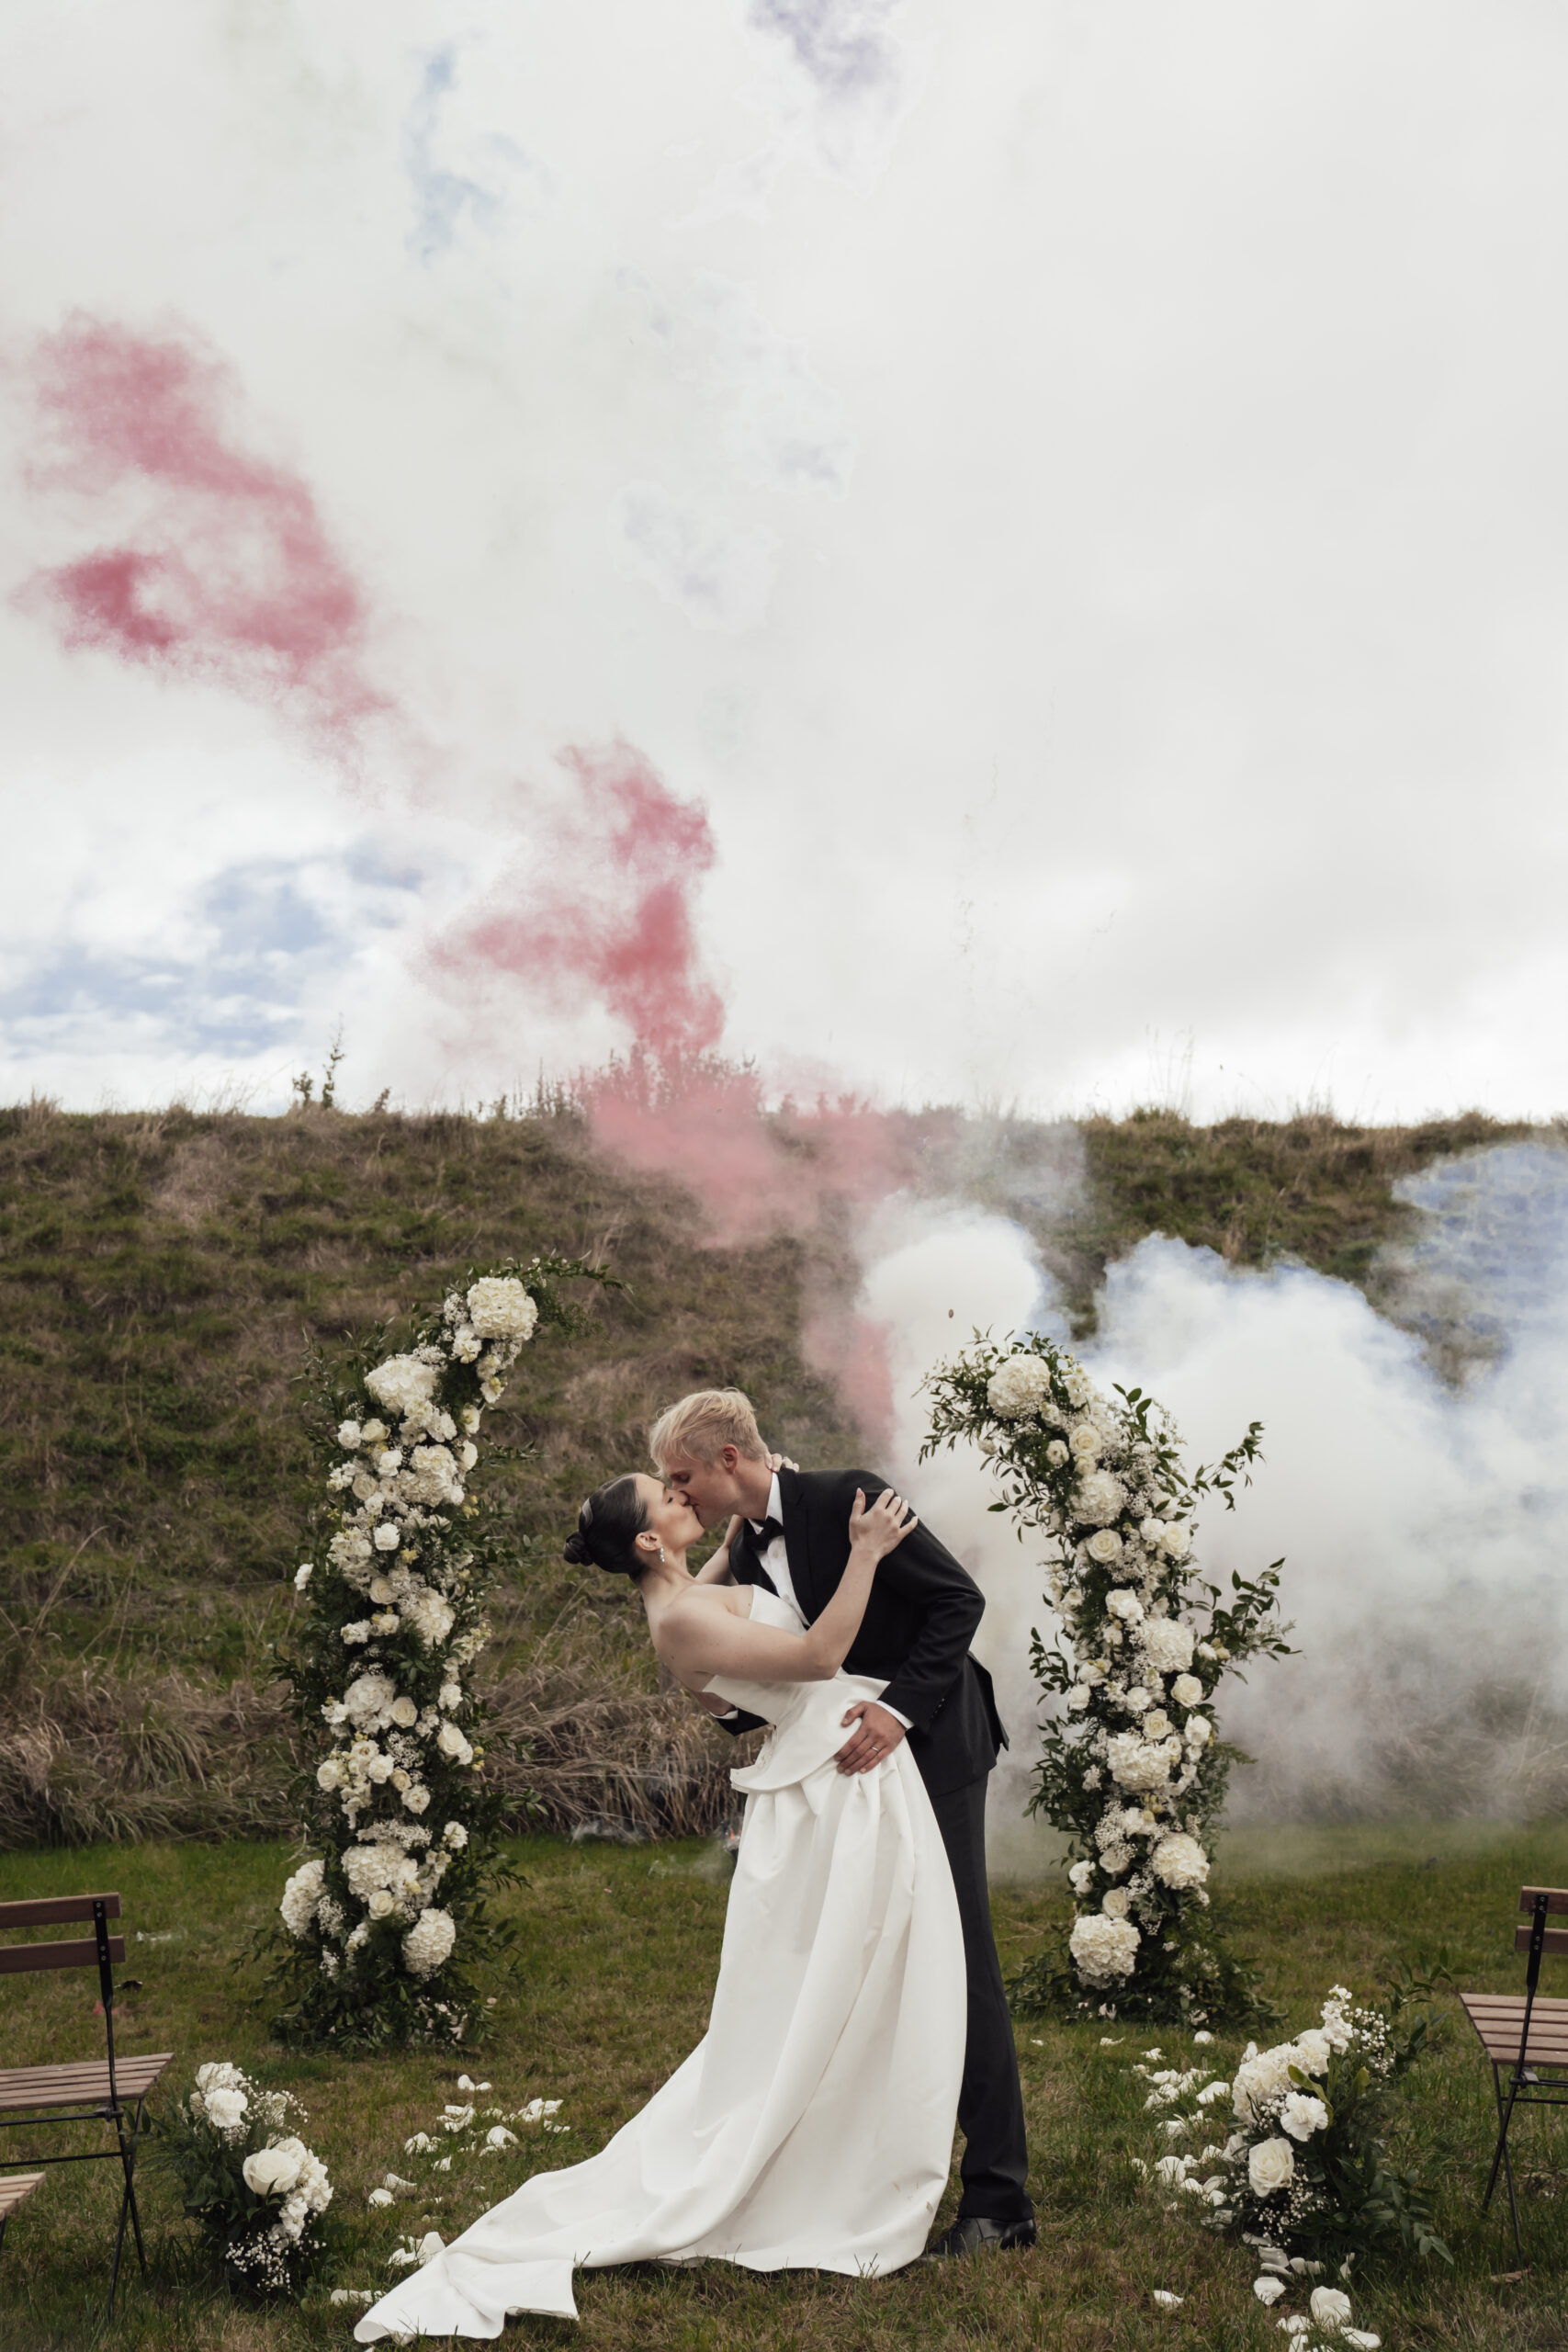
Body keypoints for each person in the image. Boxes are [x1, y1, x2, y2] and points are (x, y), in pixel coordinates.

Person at [355, 1467, 965, 2340]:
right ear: (647, 1540)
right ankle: (828, 2160)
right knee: (850, 1975)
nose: (687, 1500)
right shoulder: (676, 1620)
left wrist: (719, 1553)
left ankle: (844, 2132)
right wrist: (865, 1553)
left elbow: (709, 1601)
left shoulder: (683, 1594)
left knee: (860, 1974)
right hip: (836, 1776)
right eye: (669, 1500)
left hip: (840, 1768)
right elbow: (821, 1657)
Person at [649, 1387, 1034, 2260]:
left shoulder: (847, 1498)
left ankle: (1000, 2201)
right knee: (869, 1968)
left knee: (962, 1958)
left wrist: (898, 1712)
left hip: (929, 1745)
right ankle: (854, 2170)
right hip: (847, 1778)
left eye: (684, 1478)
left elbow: (955, 1604)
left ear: (729, 1462)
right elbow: (768, 1690)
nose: (680, 1497)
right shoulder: (741, 1555)